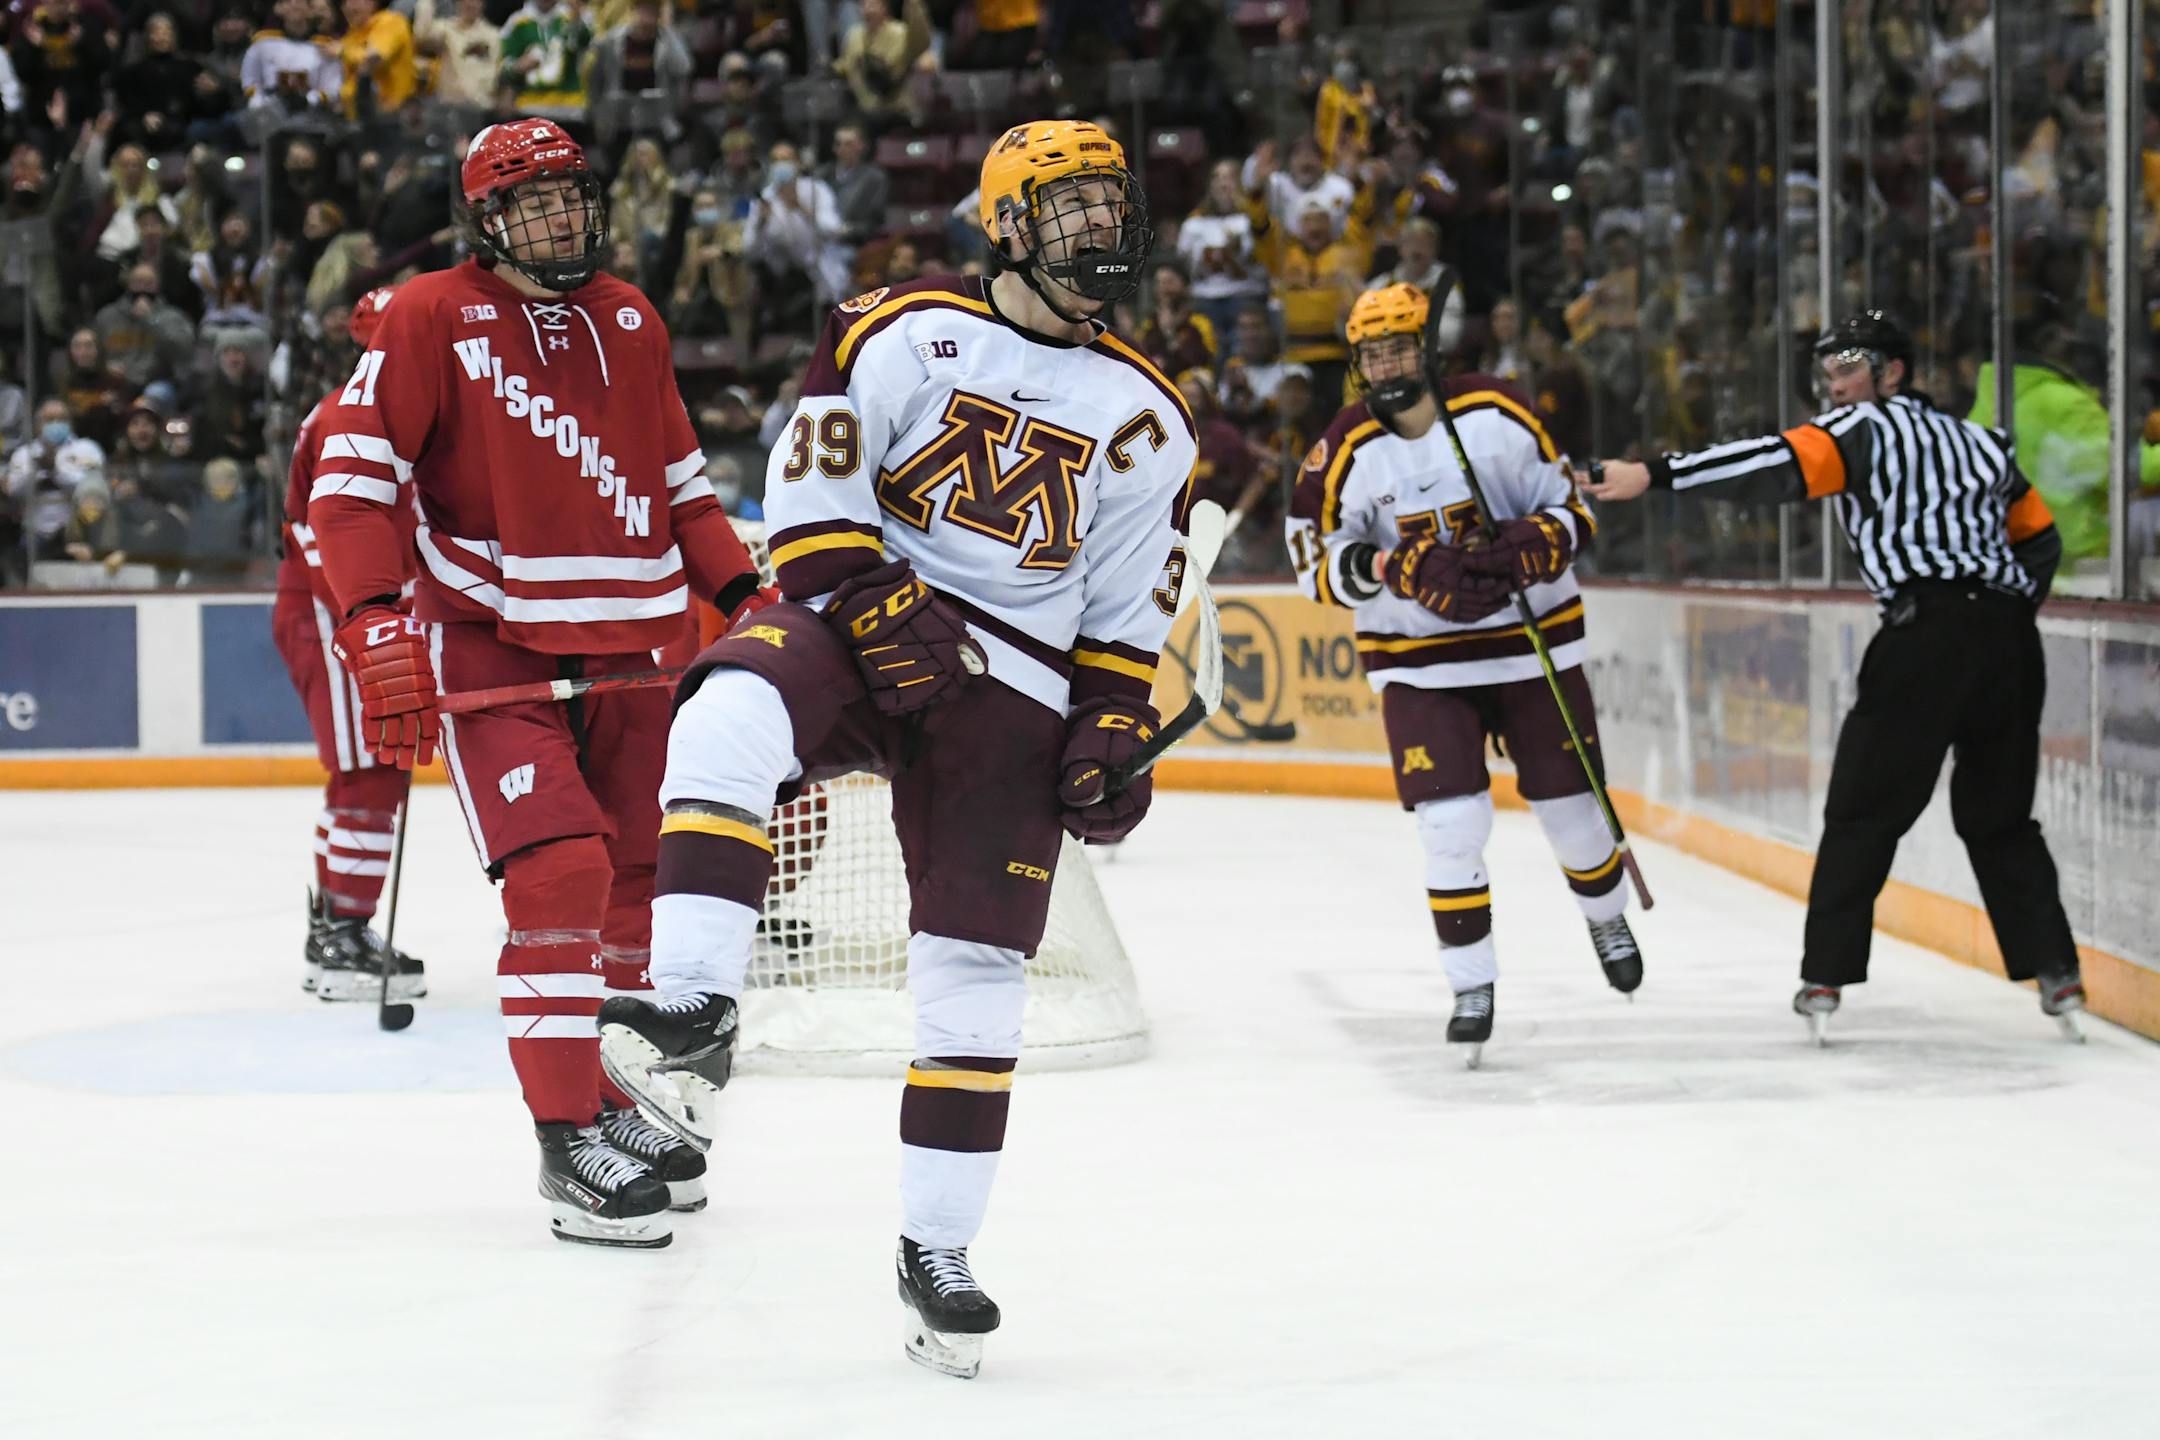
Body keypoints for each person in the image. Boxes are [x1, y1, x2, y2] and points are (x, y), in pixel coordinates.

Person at [597, 120, 1195, 1378]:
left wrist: (1111, 732)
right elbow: (812, 498)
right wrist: (872, 604)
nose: (1101, 226)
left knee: (976, 973)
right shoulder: (893, 328)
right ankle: (697, 1006)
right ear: (1007, 225)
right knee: (723, 710)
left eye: (1110, 203)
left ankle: (940, 1251)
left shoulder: (1152, 419)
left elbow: (1127, 613)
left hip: (1016, 682)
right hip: (865, 608)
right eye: (1071, 205)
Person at [304, 119, 769, 1248]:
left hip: (636, 651)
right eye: (536, 203)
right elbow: (351, 487)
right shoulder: (428, 314)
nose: (564, 219)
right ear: (487, 219)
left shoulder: (629, 316)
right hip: (495, 645)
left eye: (574, 198)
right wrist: (373, 621)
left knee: (637, 881)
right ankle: (566, 1139)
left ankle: (612, 1095)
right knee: (557, 873)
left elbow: (683, 491)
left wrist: (752, 601)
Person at [1580, 311, 2083, 1041]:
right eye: (1829, 372)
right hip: (2009, 640)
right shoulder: (1984, 443)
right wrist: (2004, 611)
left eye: (1850, 366)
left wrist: (1653, 473)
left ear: (1894, 372)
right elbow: (2039, 538)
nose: (1837, 384)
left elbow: (1772, 465)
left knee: (1860, 814)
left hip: (1924, 636)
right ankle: (2056, 969)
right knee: (1999, 817)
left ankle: (1826, 977)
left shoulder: (1865, 430)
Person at [1284, 283, 1641, 1063]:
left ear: (1429, 348)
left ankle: (1606, 914)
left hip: (1529, 642)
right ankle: (1470, 982)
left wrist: (1536, 542)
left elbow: (1571, 507)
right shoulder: (1343, 446)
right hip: (1419, 663)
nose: (1387, 364)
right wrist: (1389, 564)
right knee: (1450, 829)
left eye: (1400, 348)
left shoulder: (1498, 414)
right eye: (1373, 353)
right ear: (1357, 362)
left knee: (1574, 815)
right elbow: (1311, 562)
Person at [271, 288, 427, 1004]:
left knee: (372, 769)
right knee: (370, 770)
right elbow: (317, 534)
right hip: (334, 613)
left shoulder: (399, 411)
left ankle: (338, 923)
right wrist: (372, 620)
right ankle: (341, 932)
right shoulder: (345, 417)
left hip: (358, 612)